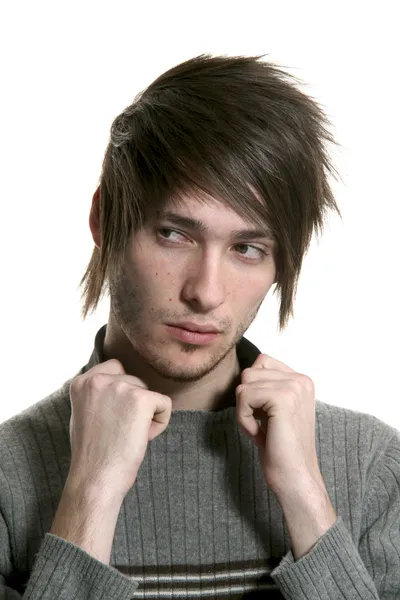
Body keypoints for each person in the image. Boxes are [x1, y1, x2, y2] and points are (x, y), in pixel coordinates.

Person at [0, 53, 399, 600]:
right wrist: (89, 496)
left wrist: (308, 499)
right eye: (174, 234)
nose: (206, 292)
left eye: (247, 248)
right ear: (103, 220)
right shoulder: (6, 477)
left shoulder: (372, 465)